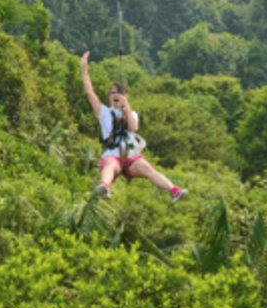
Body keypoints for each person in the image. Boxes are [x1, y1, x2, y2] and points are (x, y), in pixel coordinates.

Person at [80, 51, 187, 203]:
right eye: (111, 93)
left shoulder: (132, 113)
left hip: (130, 157)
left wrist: (126, 106)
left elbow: (133, 128)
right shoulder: (104, 112)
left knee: (148, 168)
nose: (114, 95)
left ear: (125, 95)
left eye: (117, 93)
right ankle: (105, 186)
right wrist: (84, 70)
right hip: (113, 155)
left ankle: (174, 191)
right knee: (110, 164)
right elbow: (90, 93)